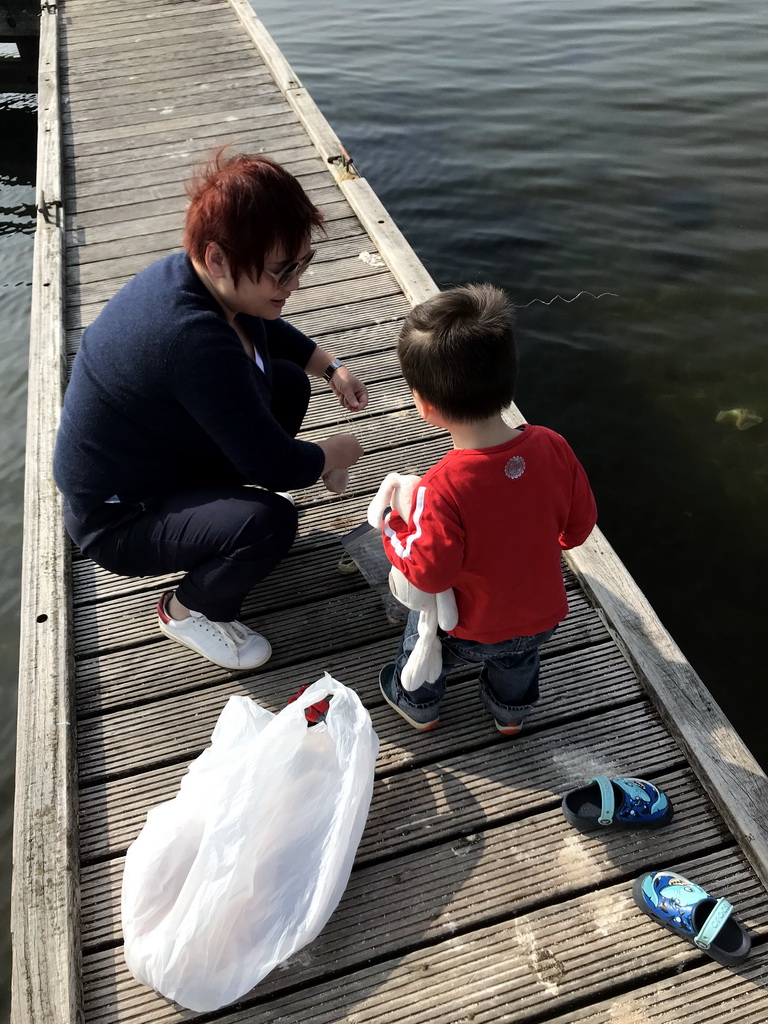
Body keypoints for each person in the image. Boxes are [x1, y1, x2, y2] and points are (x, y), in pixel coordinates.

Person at [54, 152, 367, 671]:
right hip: (114, 516)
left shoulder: (195, 277)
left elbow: (265, 322)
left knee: (287, 382)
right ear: (218, 258)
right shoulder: (191, 339)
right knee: (270, 522)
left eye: (301, 264)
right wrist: (336, 453)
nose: (294, 284)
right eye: (281, 271)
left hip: (151, 461)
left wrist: (330, 367)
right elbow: (276, 466)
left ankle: (223, 526)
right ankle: (185, 611)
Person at [374, 284, 597, 733]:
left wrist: (393, 526)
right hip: (541, 617)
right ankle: (509, 715)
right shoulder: (553, 446)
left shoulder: (440, 489)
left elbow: (429, 574)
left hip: (469, 629)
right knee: (517, 663)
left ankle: (417, 704)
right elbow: (577, 530)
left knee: (425, 634)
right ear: (510, 376)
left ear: (424, 405)